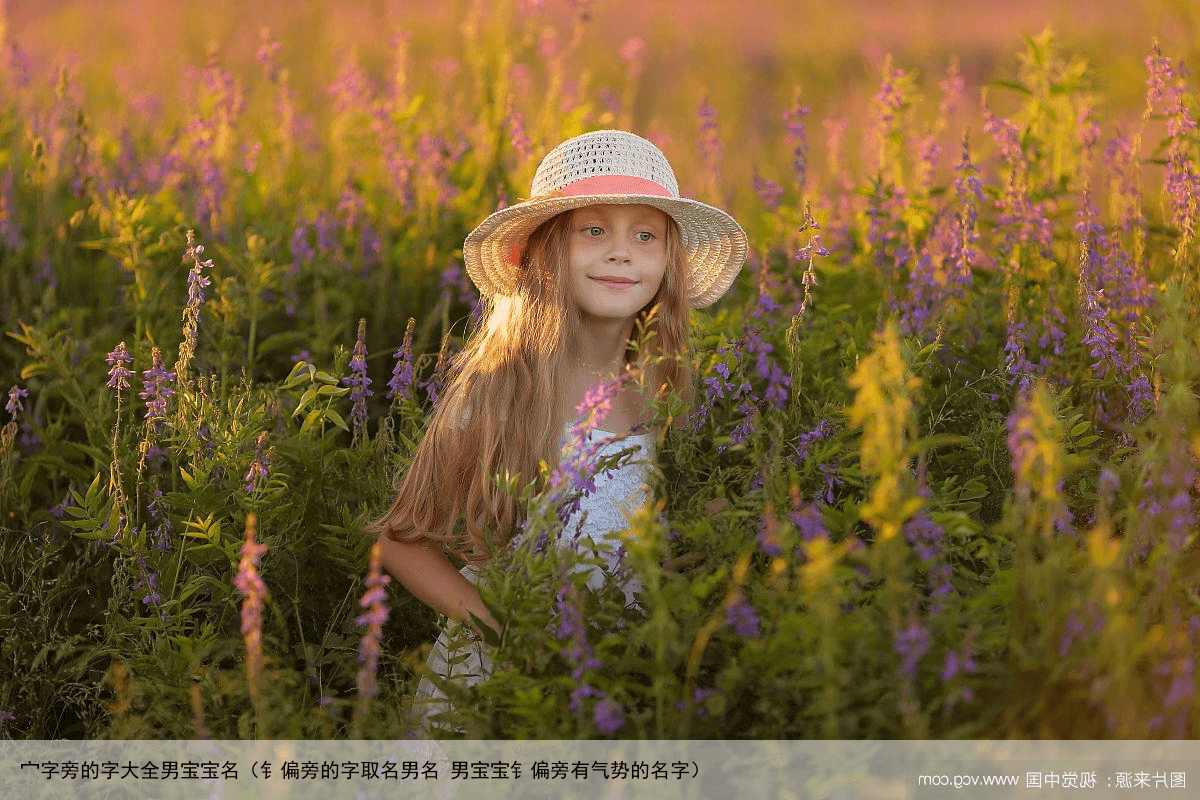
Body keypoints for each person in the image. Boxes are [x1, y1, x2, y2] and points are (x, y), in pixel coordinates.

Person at [366, 129, 748, 734]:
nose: (621, 253)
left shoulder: (662, 390)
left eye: (645, 235)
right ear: (545, 252)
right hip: (498, 684)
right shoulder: (504, 385)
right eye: (592, 230)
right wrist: (507, 637)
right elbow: (401, 540)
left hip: (616, 679)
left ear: (668, 261)